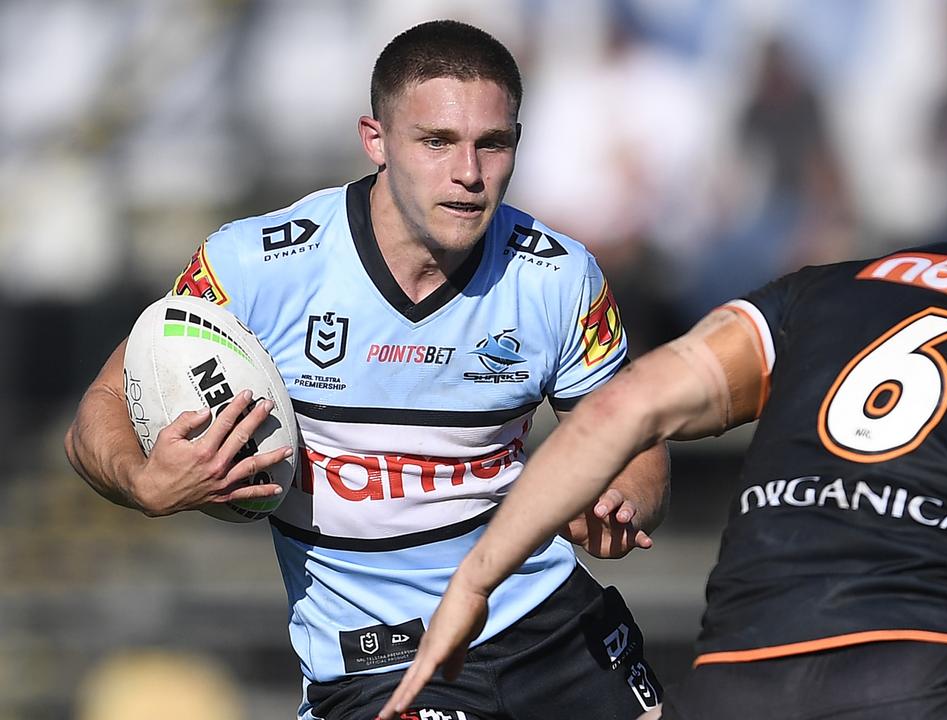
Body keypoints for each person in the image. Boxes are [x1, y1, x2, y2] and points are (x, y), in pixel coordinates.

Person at [377, 99, 947, 720]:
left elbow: (625, 407)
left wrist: (475, 580)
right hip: (928, 674)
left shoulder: (828, 292)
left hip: (733, 684)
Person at [64, 19, 670, 720]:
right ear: (375, 140)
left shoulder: (558, 276)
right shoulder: (258, 268)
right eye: (436, 142)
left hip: (552, 632)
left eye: (492, 144)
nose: (468, 174)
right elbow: (97, 410)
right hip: (380, 662)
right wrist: (143, 481)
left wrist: (624, 501)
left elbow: (639, 436)